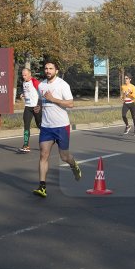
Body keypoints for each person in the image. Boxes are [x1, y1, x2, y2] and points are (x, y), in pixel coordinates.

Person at [32, 62, 82, 198]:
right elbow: (42, 101)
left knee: (64, 156)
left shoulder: (62, 85)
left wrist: (53, 99)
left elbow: (71, 103)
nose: (48, 70)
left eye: (51, 68)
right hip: (46, 126)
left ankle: (73, 164)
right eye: (46, 68)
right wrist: (38, 107)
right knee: (43, 155)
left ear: (56, 71)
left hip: (61, 126)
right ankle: (42, 186)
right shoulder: (41, 85)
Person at [18, 68, 41, 153]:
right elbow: (29, 92)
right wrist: (23, 95)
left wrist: (41, 104)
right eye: (23, 75)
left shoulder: (35, 81)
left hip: (36, 107)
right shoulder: (24, 82)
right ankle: (26, 145)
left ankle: (49, 139)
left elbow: (42, 92)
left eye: (25, 75)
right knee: (26, 126)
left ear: (30, 74)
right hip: (28, 107)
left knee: (40, 126)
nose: (24, 77)